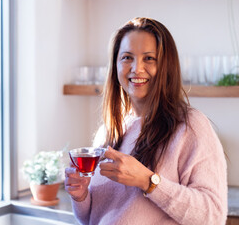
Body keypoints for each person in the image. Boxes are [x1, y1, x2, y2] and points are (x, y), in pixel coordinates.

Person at [64, 17, 228, 225]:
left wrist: (148, 181)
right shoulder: (109, 131)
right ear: (115, 66)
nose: (136, 68)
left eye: (149, 58)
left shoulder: (190, 126)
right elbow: (92, 217)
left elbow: (213, 216)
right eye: (127, 57)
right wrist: (81, 196)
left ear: (166, 66)